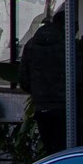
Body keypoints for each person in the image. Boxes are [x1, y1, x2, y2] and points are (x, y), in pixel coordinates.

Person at [17, 12, 68, 154]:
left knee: (49, 148)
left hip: (41, 104)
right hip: (64, 105)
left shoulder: (32, 44)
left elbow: (23, 76)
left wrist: (36, 92)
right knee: (65, 150)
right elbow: (81, 74)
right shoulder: (67, 43)